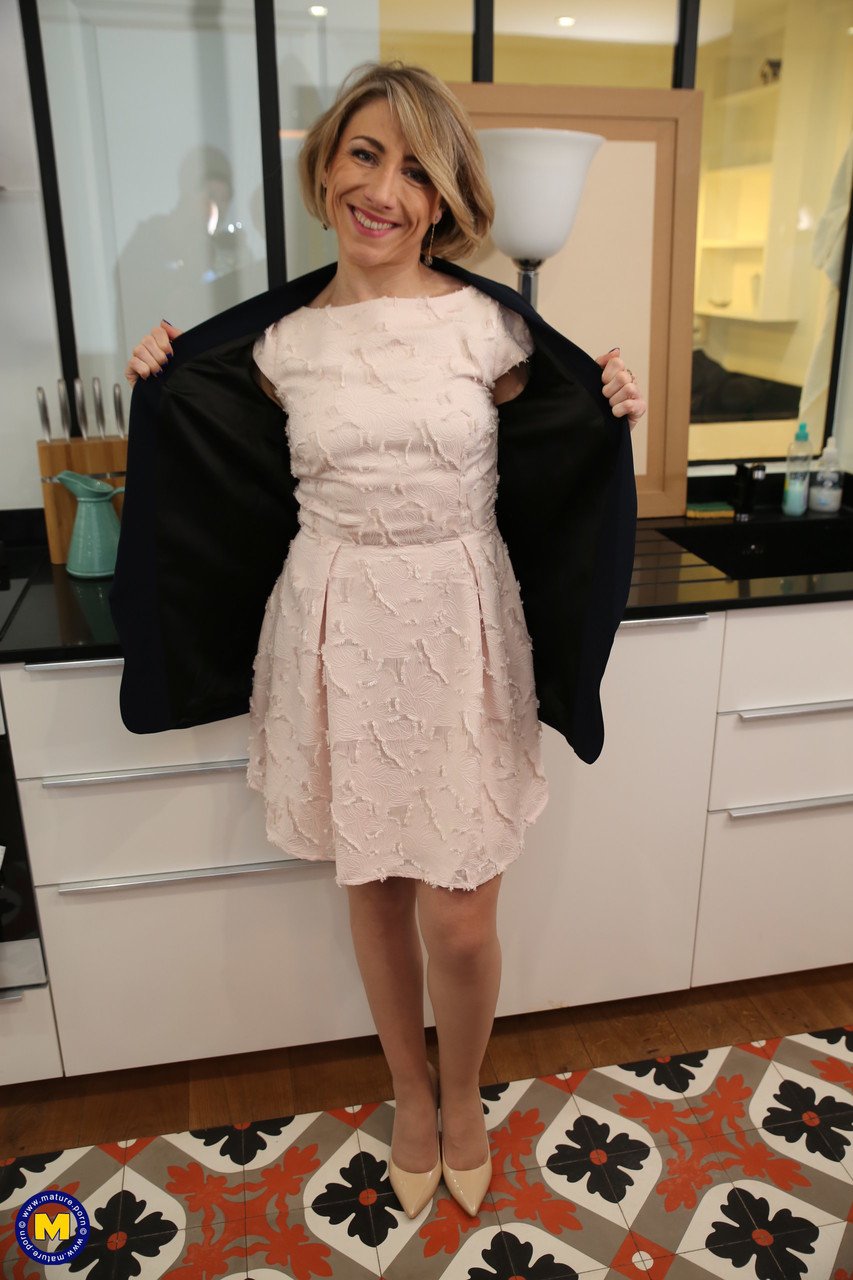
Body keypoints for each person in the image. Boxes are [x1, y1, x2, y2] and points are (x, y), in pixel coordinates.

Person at [121, 61, 646, 1223]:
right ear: (327, 169)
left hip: (460, 623)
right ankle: (410, 1088)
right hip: (336, 623)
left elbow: (564, 437)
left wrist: (606, 393)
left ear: (444, 196)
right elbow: (206, 456)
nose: (385, 191)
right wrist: (162, 377)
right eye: (365, 154)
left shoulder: (490, 327)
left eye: (416, 169)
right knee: (375, 887)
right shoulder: (278, 344)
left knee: (458, 913)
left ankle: (462, 1089)